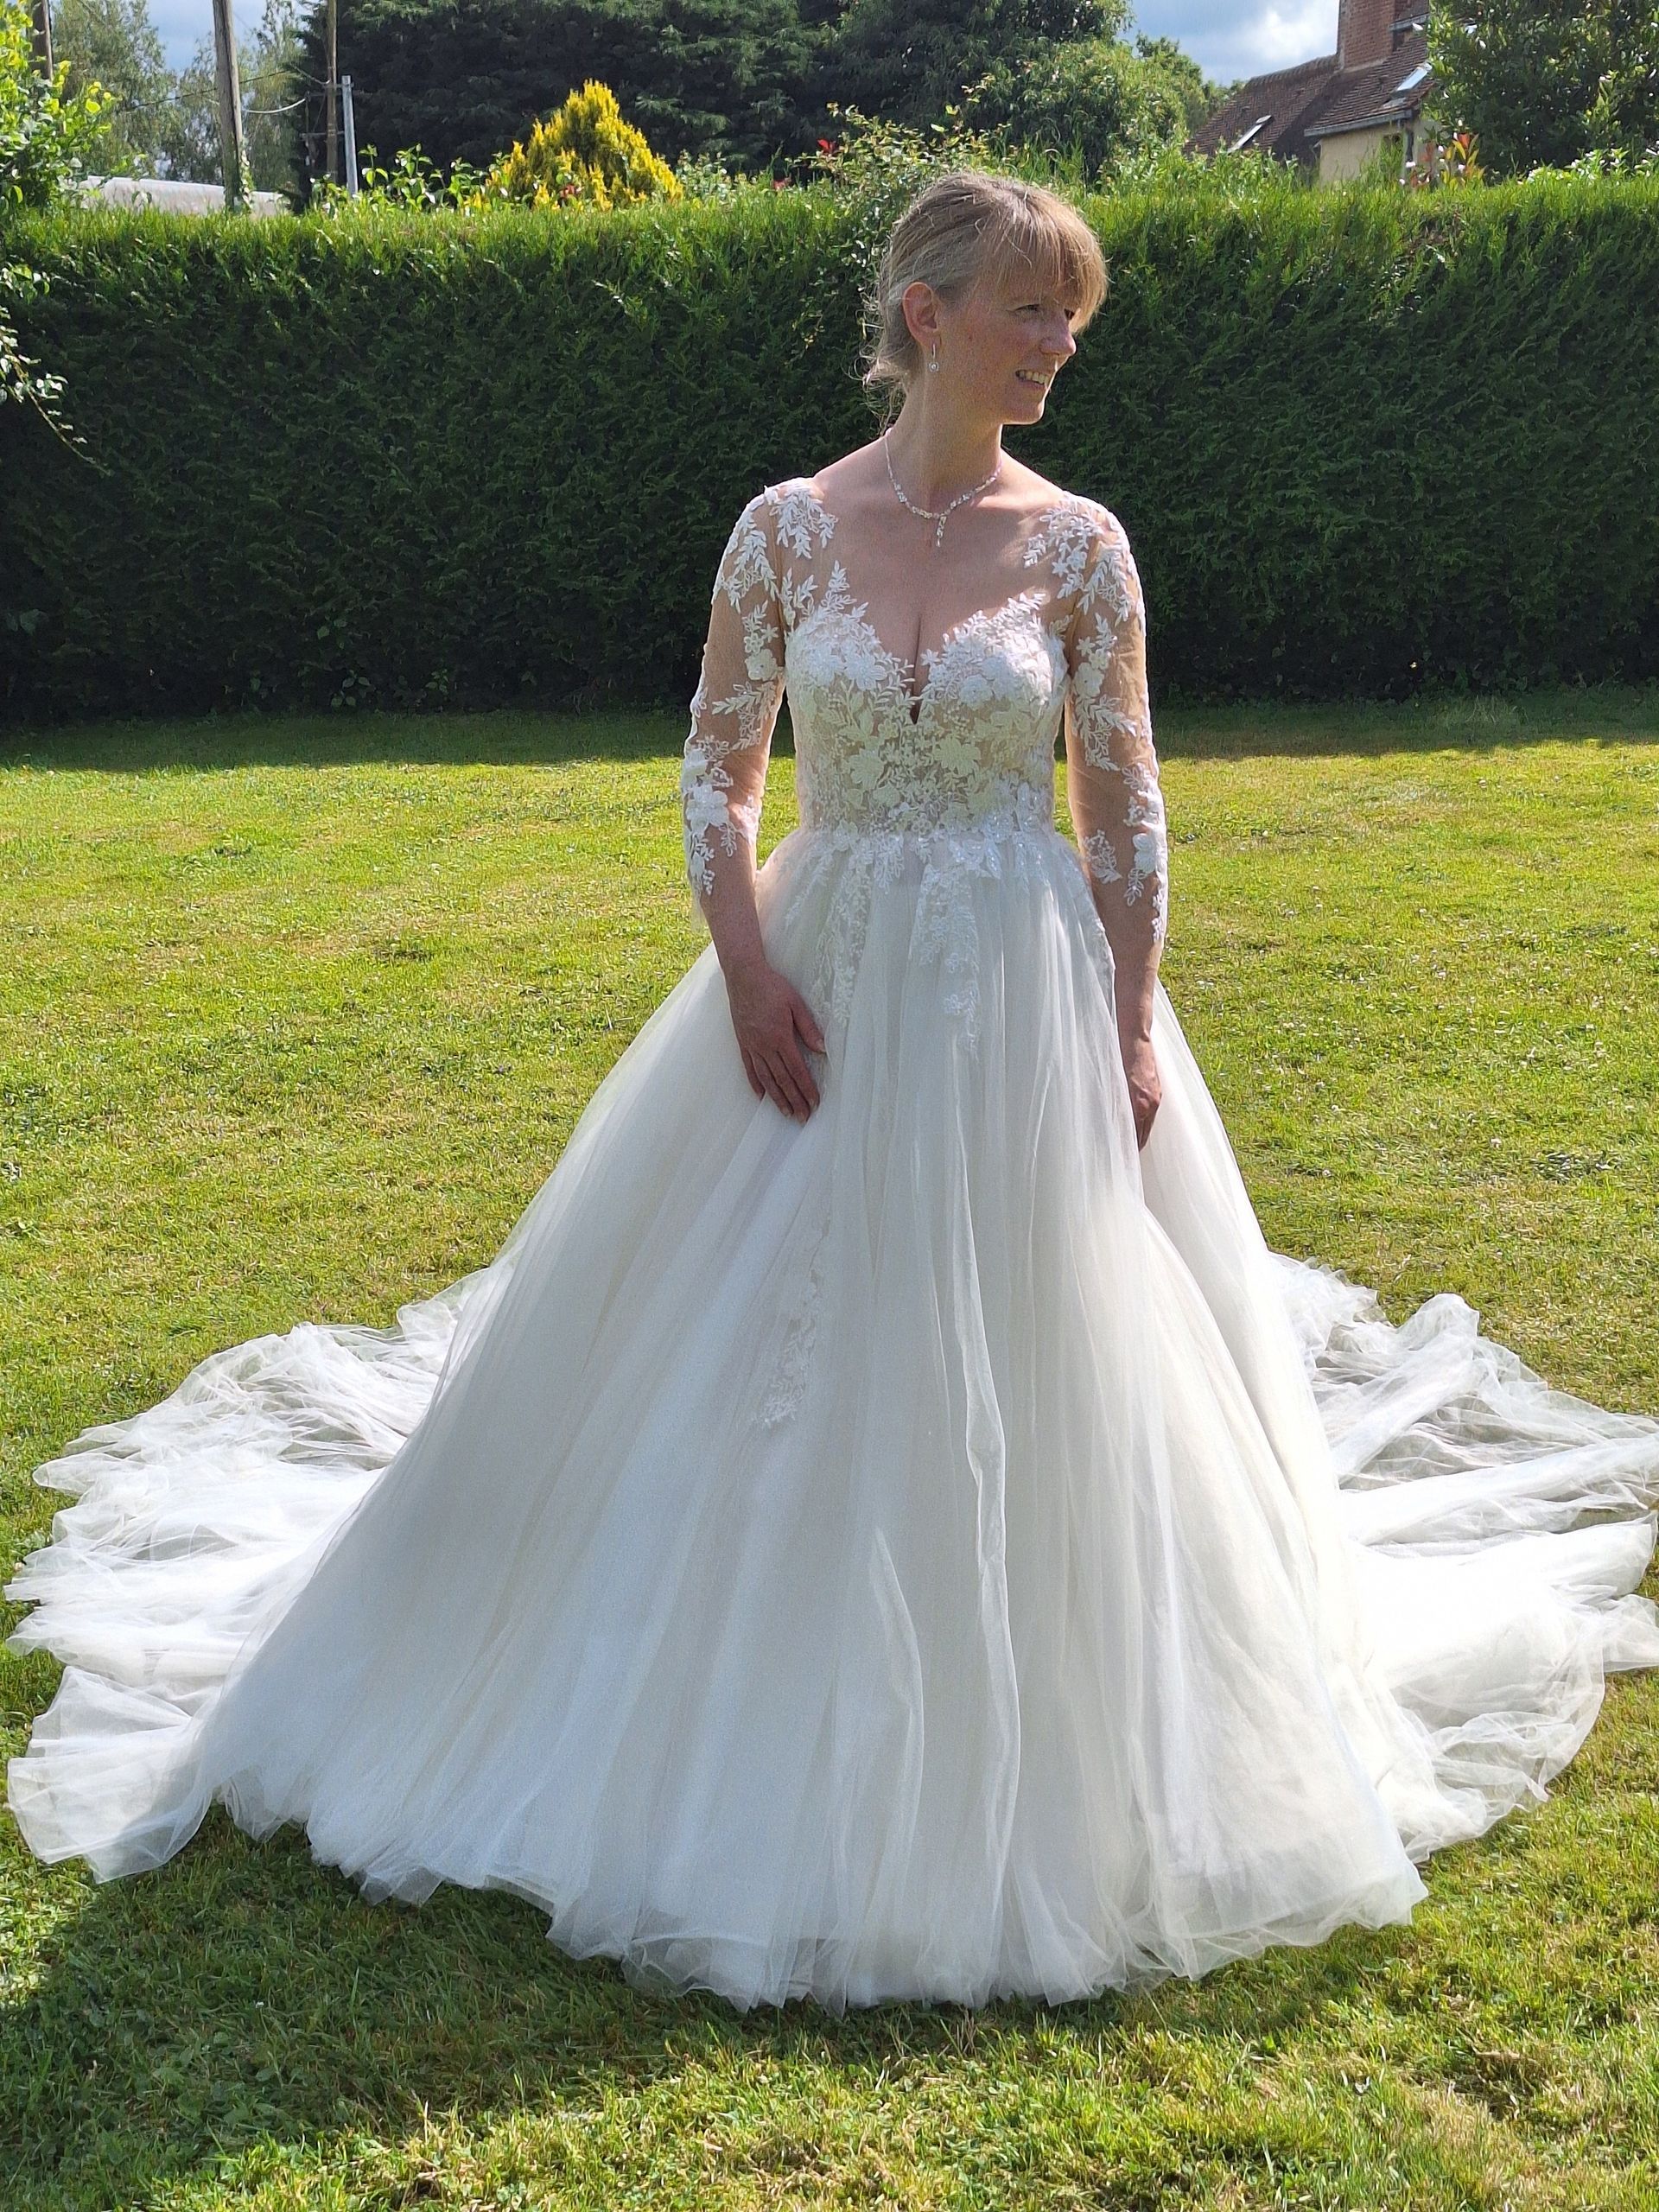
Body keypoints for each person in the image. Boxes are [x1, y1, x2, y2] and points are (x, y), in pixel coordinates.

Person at [8, 171, 1659, 2018]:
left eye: (1074, 320)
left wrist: (1123, 1023)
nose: (1057, 348)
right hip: (823, 961)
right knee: (758, 1337)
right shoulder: (785, 526)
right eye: (1030, 309)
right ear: (926, 310)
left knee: (1036, 1349)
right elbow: (716, 770)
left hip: (1024, 991)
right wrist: (743, 963)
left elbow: (1127, 804)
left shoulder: (1086, 546)